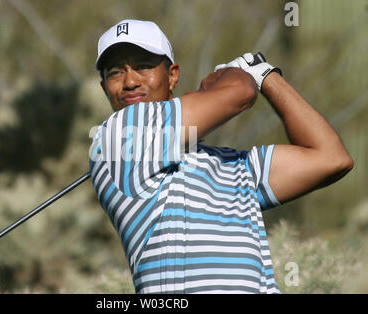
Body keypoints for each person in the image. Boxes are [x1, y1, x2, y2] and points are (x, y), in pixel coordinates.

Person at [89, 19, 353, 293]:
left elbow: (332, 158)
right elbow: (241, 91)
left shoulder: (233, 164)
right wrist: (231, 75)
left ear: (172, 75)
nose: (130, 81)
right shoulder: (115, 139)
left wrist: (266, 75)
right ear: (104, 87)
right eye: (115, 72)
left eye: (143, 66)